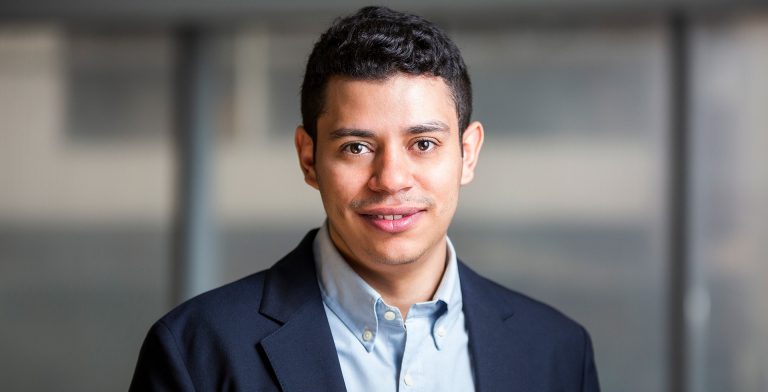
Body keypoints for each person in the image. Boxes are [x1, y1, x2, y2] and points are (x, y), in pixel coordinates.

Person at [129, 6, 600, 392]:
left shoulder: (557, 352)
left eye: (423, 144)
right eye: (356, 147)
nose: (391, 179)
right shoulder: (197, 352)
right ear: (309, 158)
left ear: (468, 154)